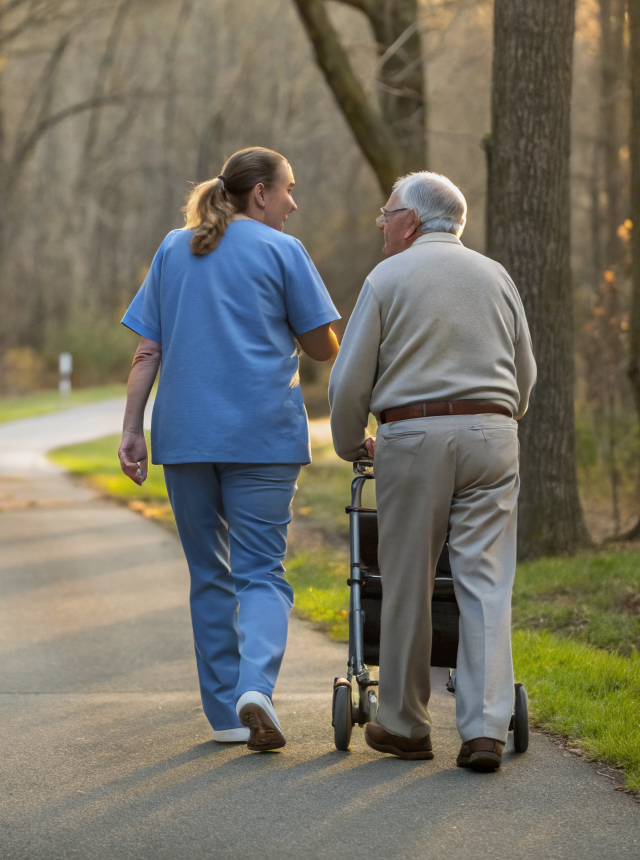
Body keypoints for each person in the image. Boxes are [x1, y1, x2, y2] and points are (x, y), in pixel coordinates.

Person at [119, 147, 340, 751]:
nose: (294, 202)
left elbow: (146, 351)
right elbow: (323, 348)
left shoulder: (173, 248)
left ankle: (223, 717)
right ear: (260, 193)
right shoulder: (283, 251)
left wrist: (132, 428)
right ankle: (255, 690)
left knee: (207, 573)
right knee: (261, 573)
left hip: (186, 436)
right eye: (288, 189)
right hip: (262, 436)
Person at [328, 171, 535, 773]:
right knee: (487, 583)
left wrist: (349, 444)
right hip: (494, 436)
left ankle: (405, 724)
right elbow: (526, 374)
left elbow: (348, 381)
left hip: (412, 436)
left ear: (412, 221)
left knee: (408, 579)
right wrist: (497, 418)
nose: (382, 223)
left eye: (387, 213)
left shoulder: (387, 277)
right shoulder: (497, 276)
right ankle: (485, 729)